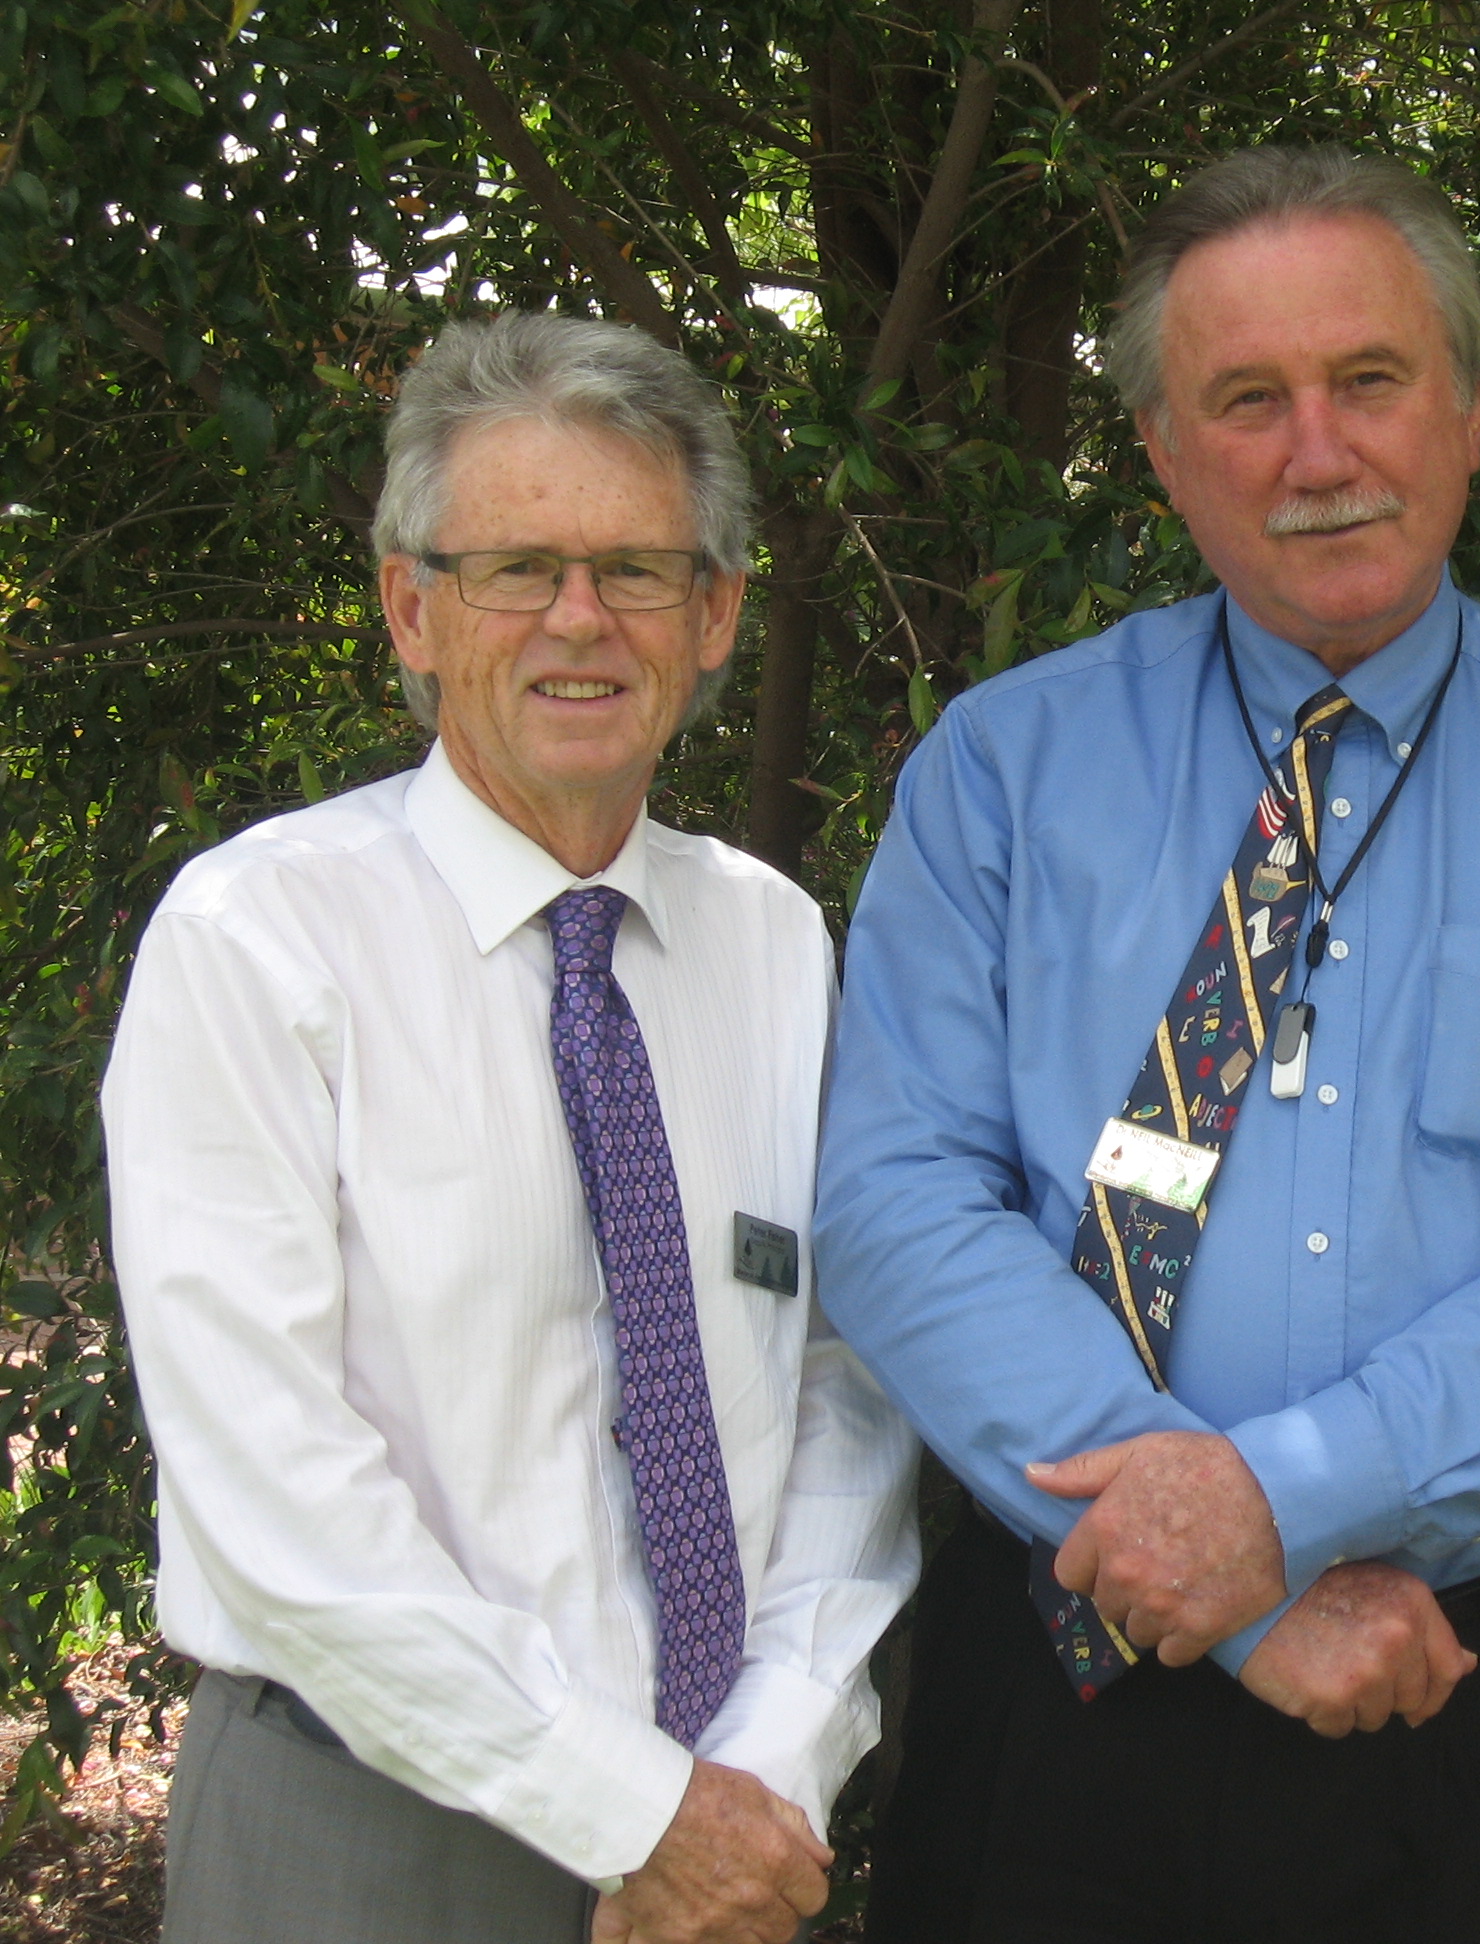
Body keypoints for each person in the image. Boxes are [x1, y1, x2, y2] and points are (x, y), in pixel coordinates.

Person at [814, 145, 1480, 1942]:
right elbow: (892, 1203)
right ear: (1166, 453)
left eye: (1370, 381)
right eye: (1247, 400)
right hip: (1058, 1676)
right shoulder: (1003, 771)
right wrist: (1227, 1578)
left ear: (1476, 410)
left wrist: (1280, 1496)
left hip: (1460, 1695)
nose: (1318, 453)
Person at [104, 311, 920, 1944]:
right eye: (515, 567)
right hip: (368, 1837)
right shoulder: (257, 939)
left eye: (635, 568)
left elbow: (848, 1386)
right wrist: (634, 1810)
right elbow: (277, 1494)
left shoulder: (774, 942)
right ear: (413, 608)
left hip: (730, 1836)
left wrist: (764, 1766)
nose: (579, 618)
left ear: (716, 615)